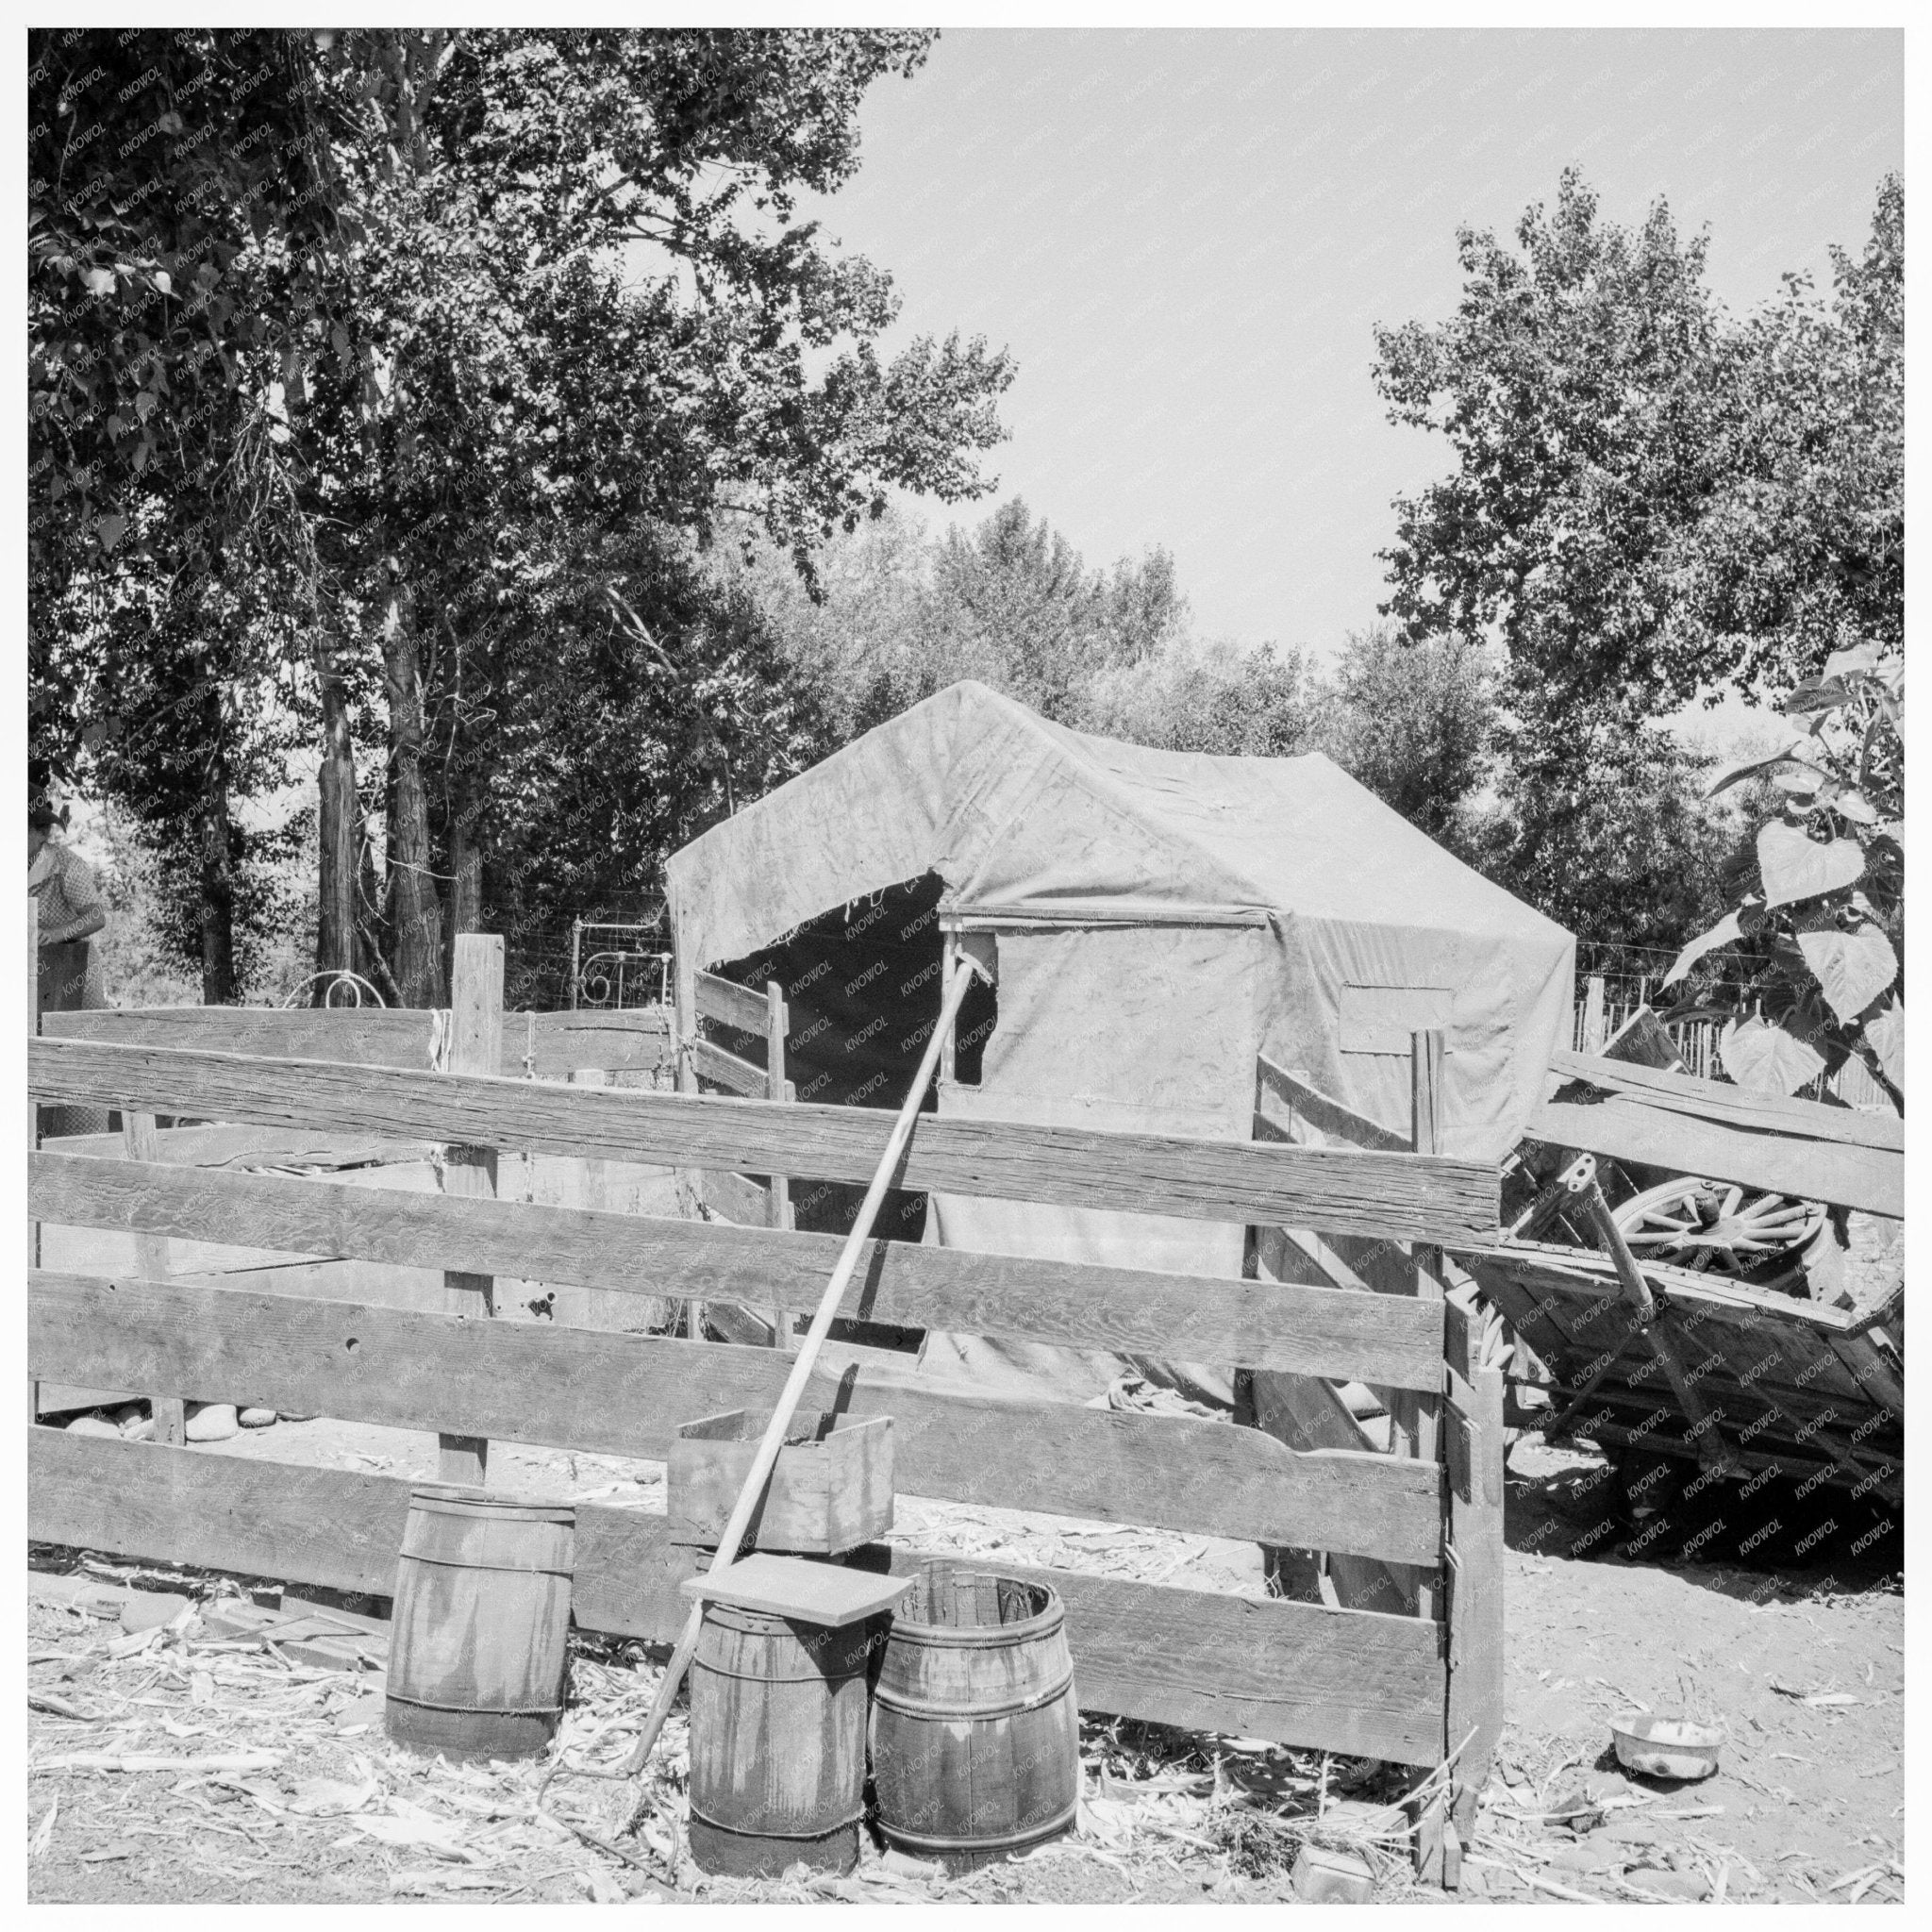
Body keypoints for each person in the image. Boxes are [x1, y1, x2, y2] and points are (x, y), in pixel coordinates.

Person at [30, 789, 111, 1137]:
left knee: (79, 1056)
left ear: (39, 832)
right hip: (35, 977)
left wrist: (57, 932)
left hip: (76, 970)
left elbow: (96, 916)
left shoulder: (66, 865)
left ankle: (86, 1144)